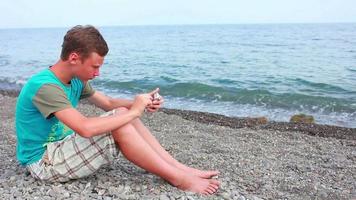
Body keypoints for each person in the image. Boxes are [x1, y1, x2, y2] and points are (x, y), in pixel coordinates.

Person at [15, 25, 220, 195]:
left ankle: (180, 168)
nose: (98, 73)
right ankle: (179, 178)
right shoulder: (45, 86)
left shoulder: (74, 79)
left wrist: (140, 103)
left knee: (121, 113)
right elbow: (84, 128)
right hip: (44, 162)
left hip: (61, 146)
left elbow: (108, 103)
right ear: (74, 58)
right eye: (94, 67)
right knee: (122, 121)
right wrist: (134, 112)